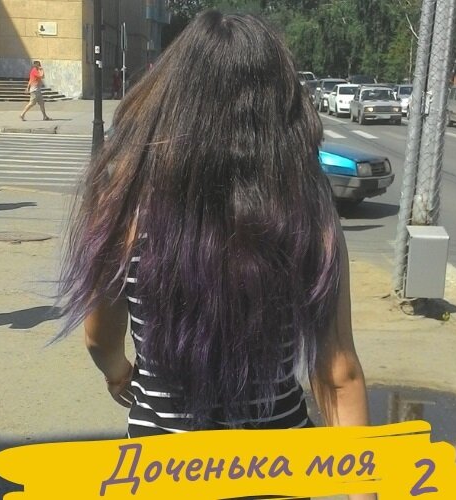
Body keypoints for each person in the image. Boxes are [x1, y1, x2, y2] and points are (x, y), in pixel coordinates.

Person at [58, 11, 372, 498]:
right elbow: (338, 374)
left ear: (172, 96)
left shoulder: (128, 206)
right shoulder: (306, 214)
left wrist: (119, 374)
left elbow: (99, 337)